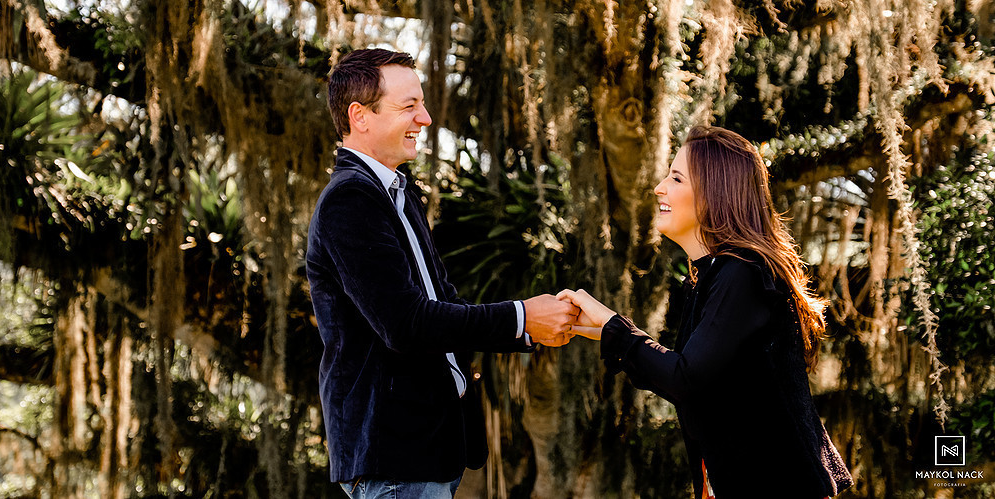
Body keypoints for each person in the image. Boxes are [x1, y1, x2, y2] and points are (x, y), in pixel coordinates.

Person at [305, 48, 578, 499]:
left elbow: (443, 308)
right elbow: (407, 325)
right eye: (409, 106)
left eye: (423, 104)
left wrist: (530, 330)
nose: (426, 118)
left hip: (430, 450)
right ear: (360, 116)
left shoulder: (399, 193)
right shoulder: (349, 201)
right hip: (393, 456)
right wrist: (523, 316)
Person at [559, 126, 853, 499]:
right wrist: (606, 331)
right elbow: (696, 385)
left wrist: (613, 326)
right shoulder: (711, 276)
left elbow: (685, 377)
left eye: (676, 177)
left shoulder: (742, 273)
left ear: (715, 193)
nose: (659, 188)